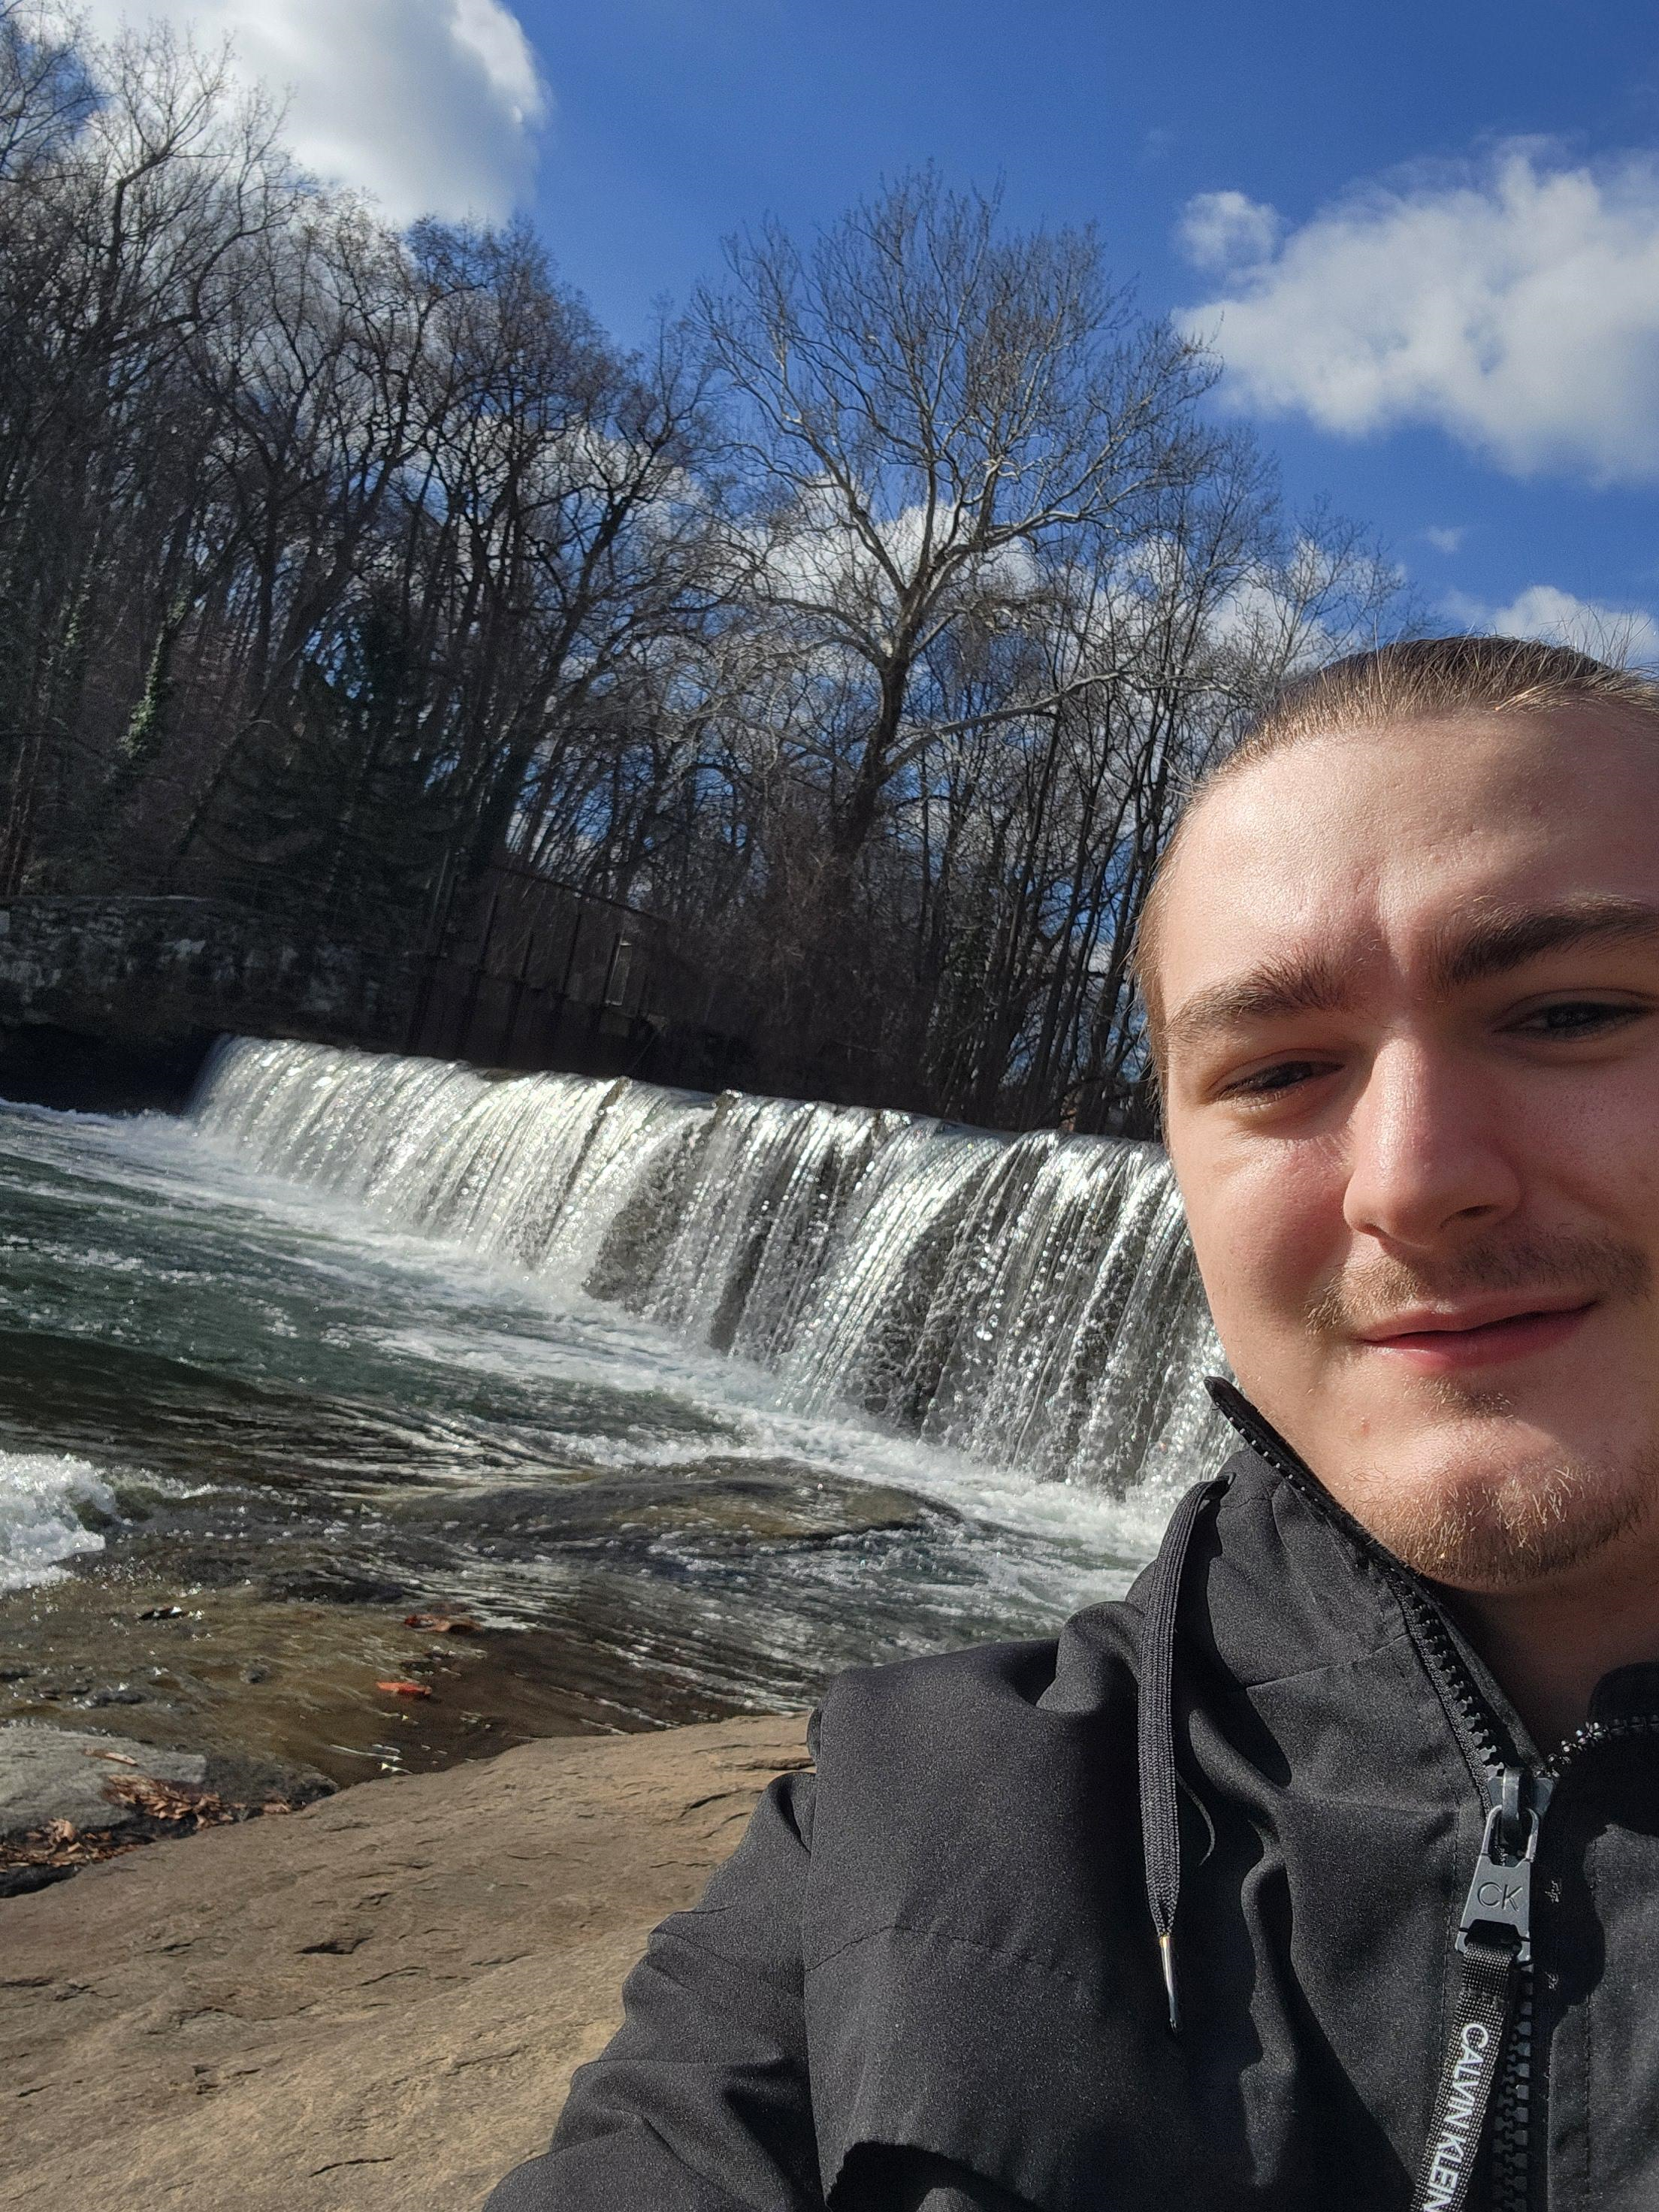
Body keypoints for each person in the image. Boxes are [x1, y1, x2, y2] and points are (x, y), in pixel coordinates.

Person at [485, 636, 1659, 2212]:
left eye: (1572, 1011)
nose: (1409, 1178)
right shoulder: (909, 1822)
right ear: (1179, 1148)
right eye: (1283, 1067)